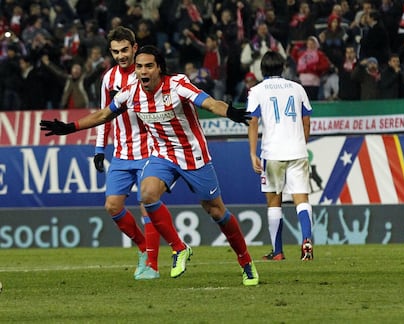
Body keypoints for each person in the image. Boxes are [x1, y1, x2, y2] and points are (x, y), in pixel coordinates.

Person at [40, 45, 259, 286]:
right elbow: (104, 115)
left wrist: (230, 112)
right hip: (162, 155)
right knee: (147, 194)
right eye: (140, 66)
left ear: (160, 69)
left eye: (149, 66)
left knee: (216, 211)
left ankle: (246, 262)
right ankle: (179, 248)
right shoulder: (130, 92)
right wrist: (70, 127)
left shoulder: (177, 85)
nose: (143, 71)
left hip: (192, 156)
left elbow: (208, 103)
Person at [94, 26, 161, 280]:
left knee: (147, 205)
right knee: (112, 206)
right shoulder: (109, 79)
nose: (121, 55)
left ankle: (152, 265)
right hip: (122, 153)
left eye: (124, 50)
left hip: (149, 149)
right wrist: (100, 149)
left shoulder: (146, 72)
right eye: (115, 51)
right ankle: (144, 248)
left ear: (135, 48)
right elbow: (104, 116)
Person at [247, 51, 313, 261]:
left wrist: (252, 152)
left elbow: (253, 121)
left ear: (262, 69)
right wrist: (301, 144)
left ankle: (278, 252)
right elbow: (306, 121)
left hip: (272, 152)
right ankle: (307, 240)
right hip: (297, 150)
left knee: (274, 202)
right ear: (283, 68)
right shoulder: (297, 88)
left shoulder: (256, 91)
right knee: (301, 198)